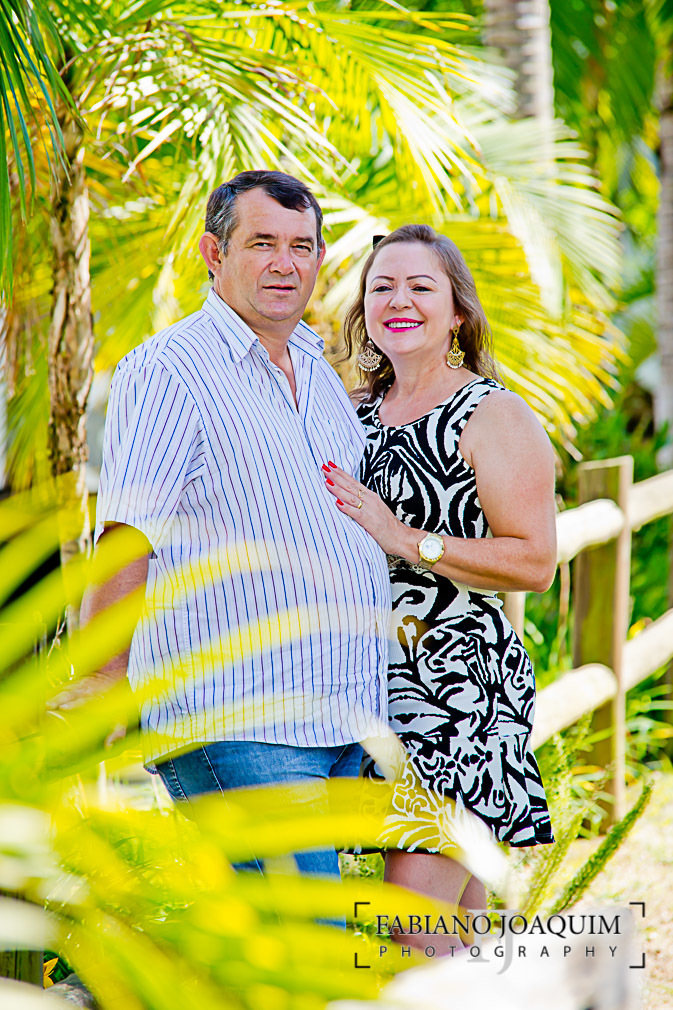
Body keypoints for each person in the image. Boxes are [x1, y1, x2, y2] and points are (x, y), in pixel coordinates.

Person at [73, 171, 392, 878]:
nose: (285, 264)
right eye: (262, 243)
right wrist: (102, 680)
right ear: (213, 253)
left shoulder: (316, 366)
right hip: (238, 721)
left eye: (301, 247)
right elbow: (129, 532)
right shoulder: (170, 370)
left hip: (339, 717)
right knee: (303, 937)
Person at [323, 224, 557, 946]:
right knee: (456, 937)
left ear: (457, 312)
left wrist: (405, 539)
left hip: (453, 689)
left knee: (414, 934)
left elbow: (534, 561)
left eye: (420, 287)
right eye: (381, 287)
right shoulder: (349, 412)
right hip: (369, 685)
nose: (398, 301)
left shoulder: (491, 414)